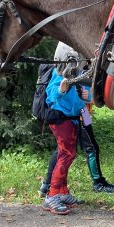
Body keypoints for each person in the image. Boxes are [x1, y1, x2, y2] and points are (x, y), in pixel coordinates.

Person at [42, 43, 93, 215]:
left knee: (69, 154)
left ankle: (62, 192)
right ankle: (52, 195)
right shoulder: (60, 72)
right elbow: (51, 94)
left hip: (74, 119)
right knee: (66, 154)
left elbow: (87, 96)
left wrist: (88, 96)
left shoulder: (82, 73)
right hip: (60, 117)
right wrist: (61, 89)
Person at [39, 105, 114, 196]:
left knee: (62, 149)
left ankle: (47, 184)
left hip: (81, 112)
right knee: (92, 149)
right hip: (79, 113)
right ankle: (98, 183)